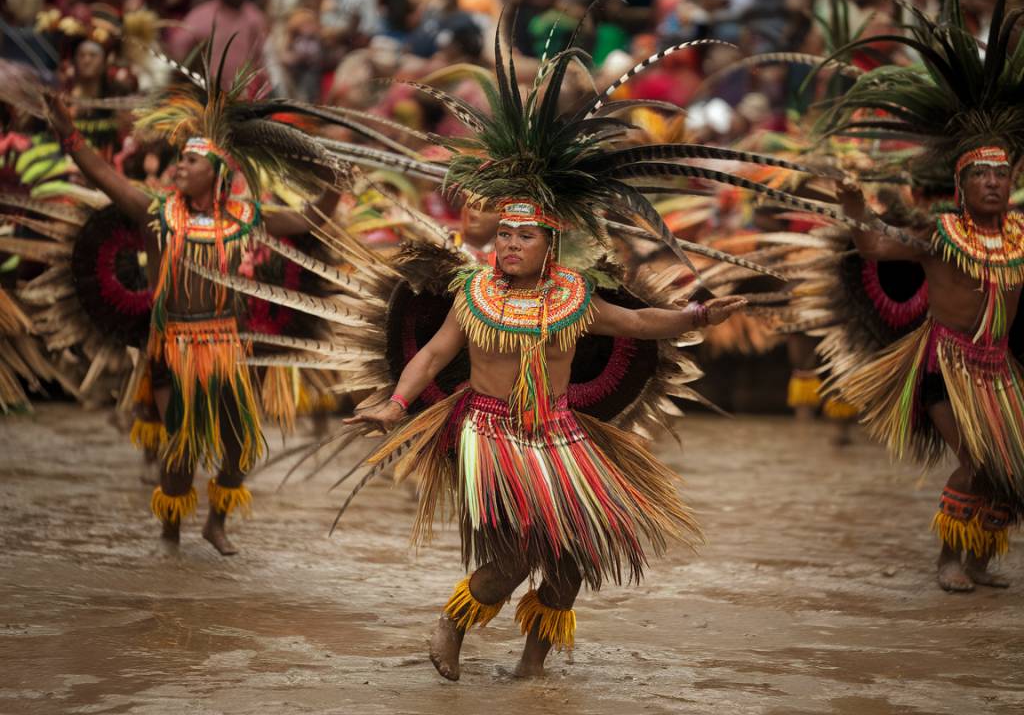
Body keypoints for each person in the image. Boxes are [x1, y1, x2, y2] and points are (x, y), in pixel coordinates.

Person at [346, 200, 746, 679]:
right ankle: (453, 623)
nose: (511, 245)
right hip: (489, 431)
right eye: (506, 234)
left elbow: (639, 325)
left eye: (525, 236)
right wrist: (395, 404)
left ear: (550, 245)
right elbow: (432, 356)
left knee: (574, 559)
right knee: (518, 554)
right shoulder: (474, 292)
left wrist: (698, 316)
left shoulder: (574, 297)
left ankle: (531, 668)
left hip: (558, 433)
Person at [41, 60, 343, 555]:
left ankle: (216, 522)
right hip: (173, 344)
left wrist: (334, 183)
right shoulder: (156, 212)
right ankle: (170, 533)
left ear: (216, 175)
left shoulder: (244, 218)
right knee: (180, 444)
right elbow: (99, 175)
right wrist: (68, 132)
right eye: (179, 159)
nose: (179, 166)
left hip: (228, 344)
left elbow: (308, 220)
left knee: (238, 445)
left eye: (190, 162)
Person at [835, 149, 1022, 591]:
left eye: (1001, 174)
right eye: (981, 174)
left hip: (1000, 368)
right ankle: (947, 560)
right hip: (946, 366)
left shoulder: (1019, 236)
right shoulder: (940, 235)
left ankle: (978, 560)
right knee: (977, 463)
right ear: (962, 186)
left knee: (1011, 470)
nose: (993, 182)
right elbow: (873, 246)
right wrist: (853, 205)